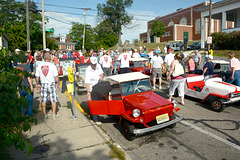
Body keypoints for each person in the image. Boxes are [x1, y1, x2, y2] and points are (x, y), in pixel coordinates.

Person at [35, 53, 60, 120]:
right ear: (49, 58)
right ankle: (54, 114)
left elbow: (37, 77)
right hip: (51, 83)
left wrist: (38, 84)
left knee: (43, 100)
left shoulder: (39, 66)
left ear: (43, 58)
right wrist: (58, 84)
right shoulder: (52, 66)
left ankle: (45, 115)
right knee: (53, 100)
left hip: (43, 83)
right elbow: (56, 76)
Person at [85, 57, 104, 123]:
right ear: (90, 63)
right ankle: (95, 118)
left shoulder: (98, 66)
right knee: (94, 103)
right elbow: (87, 82)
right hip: (92, 88)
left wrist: (101, 77)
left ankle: (97, 115)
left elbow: (102, 73)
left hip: (98, 87)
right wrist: (88, 93)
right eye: (93, 64)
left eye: (95, 64)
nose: (94, 65)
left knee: (99, 102)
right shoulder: (88, 70)